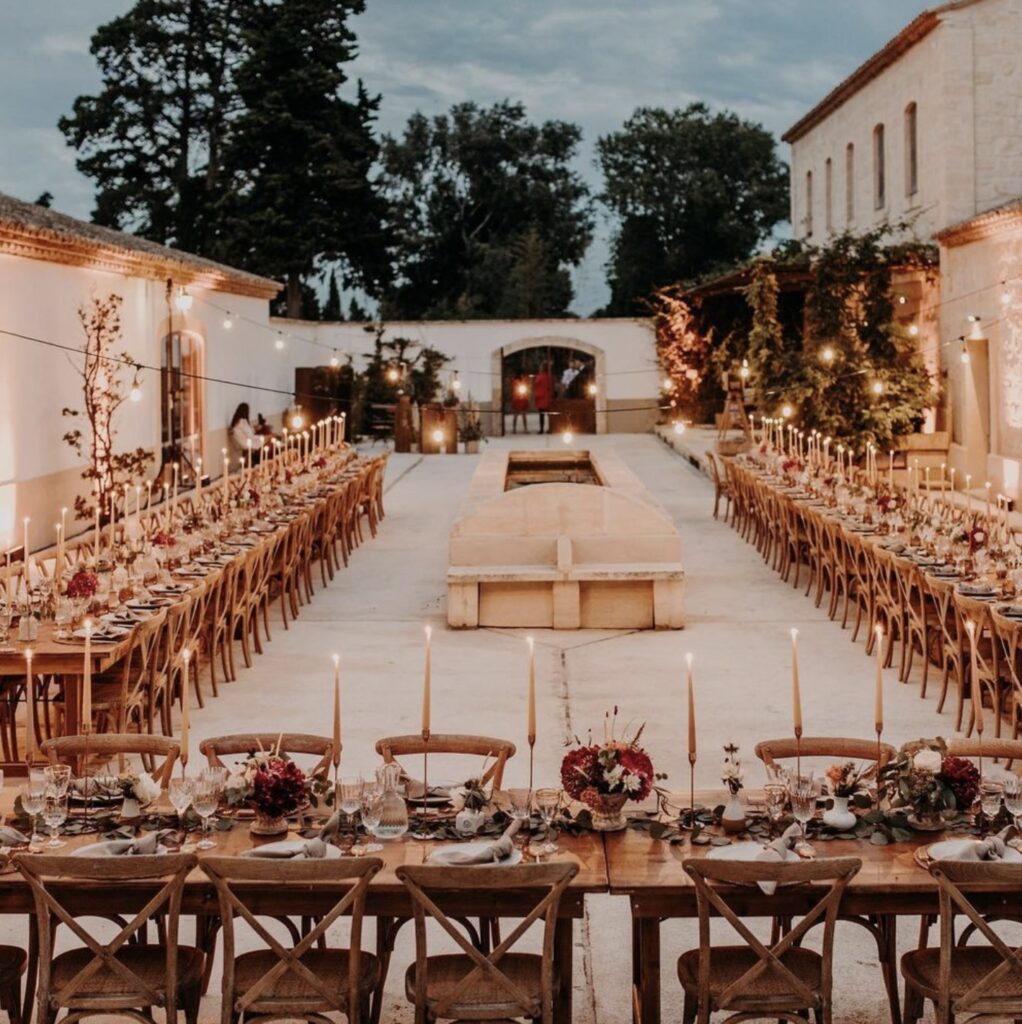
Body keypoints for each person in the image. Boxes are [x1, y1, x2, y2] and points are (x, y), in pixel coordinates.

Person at [533, 362, 553, 435]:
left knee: (541, 414)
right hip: (547, 397)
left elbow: (536, 384)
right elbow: (550, 386)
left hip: (541, 397)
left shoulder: (540, 376)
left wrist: (535, 394)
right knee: (548, 414)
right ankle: (550, 428)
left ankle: (541, 429)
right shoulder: (549, 376)